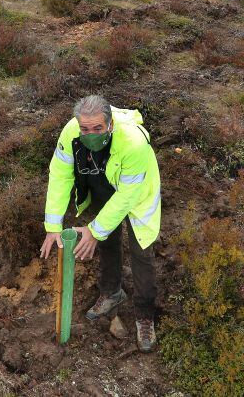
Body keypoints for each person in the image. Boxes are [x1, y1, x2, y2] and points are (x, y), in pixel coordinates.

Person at [39, 95, 161, 352]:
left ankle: (144, 315)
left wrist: (94, 230)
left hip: (137, 191)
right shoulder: (71, 133)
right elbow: (59, 175)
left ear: (110, 124)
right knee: (107, 240)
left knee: (141, 250)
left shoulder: (134, 143)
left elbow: (127, 196)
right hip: (102, 184)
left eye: (97, 128)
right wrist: (52, 226)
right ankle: (111, 291)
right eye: (85, 128)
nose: (90, 134)